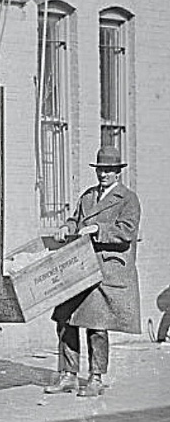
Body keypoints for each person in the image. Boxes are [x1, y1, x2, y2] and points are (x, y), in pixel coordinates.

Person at [44, 146, 141, 398]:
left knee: (96, 325)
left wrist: (98, 229)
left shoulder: (128, 199)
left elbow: (126, 232)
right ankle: (68, 375)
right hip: (80, 268)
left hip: (106, 270)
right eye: (100, 170)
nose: (103, 175)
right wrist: (66, 227)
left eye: (108, 170)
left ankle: (96, 378)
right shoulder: (88, 196)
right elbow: (75, 219)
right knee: (65, 319)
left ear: (118, 173)